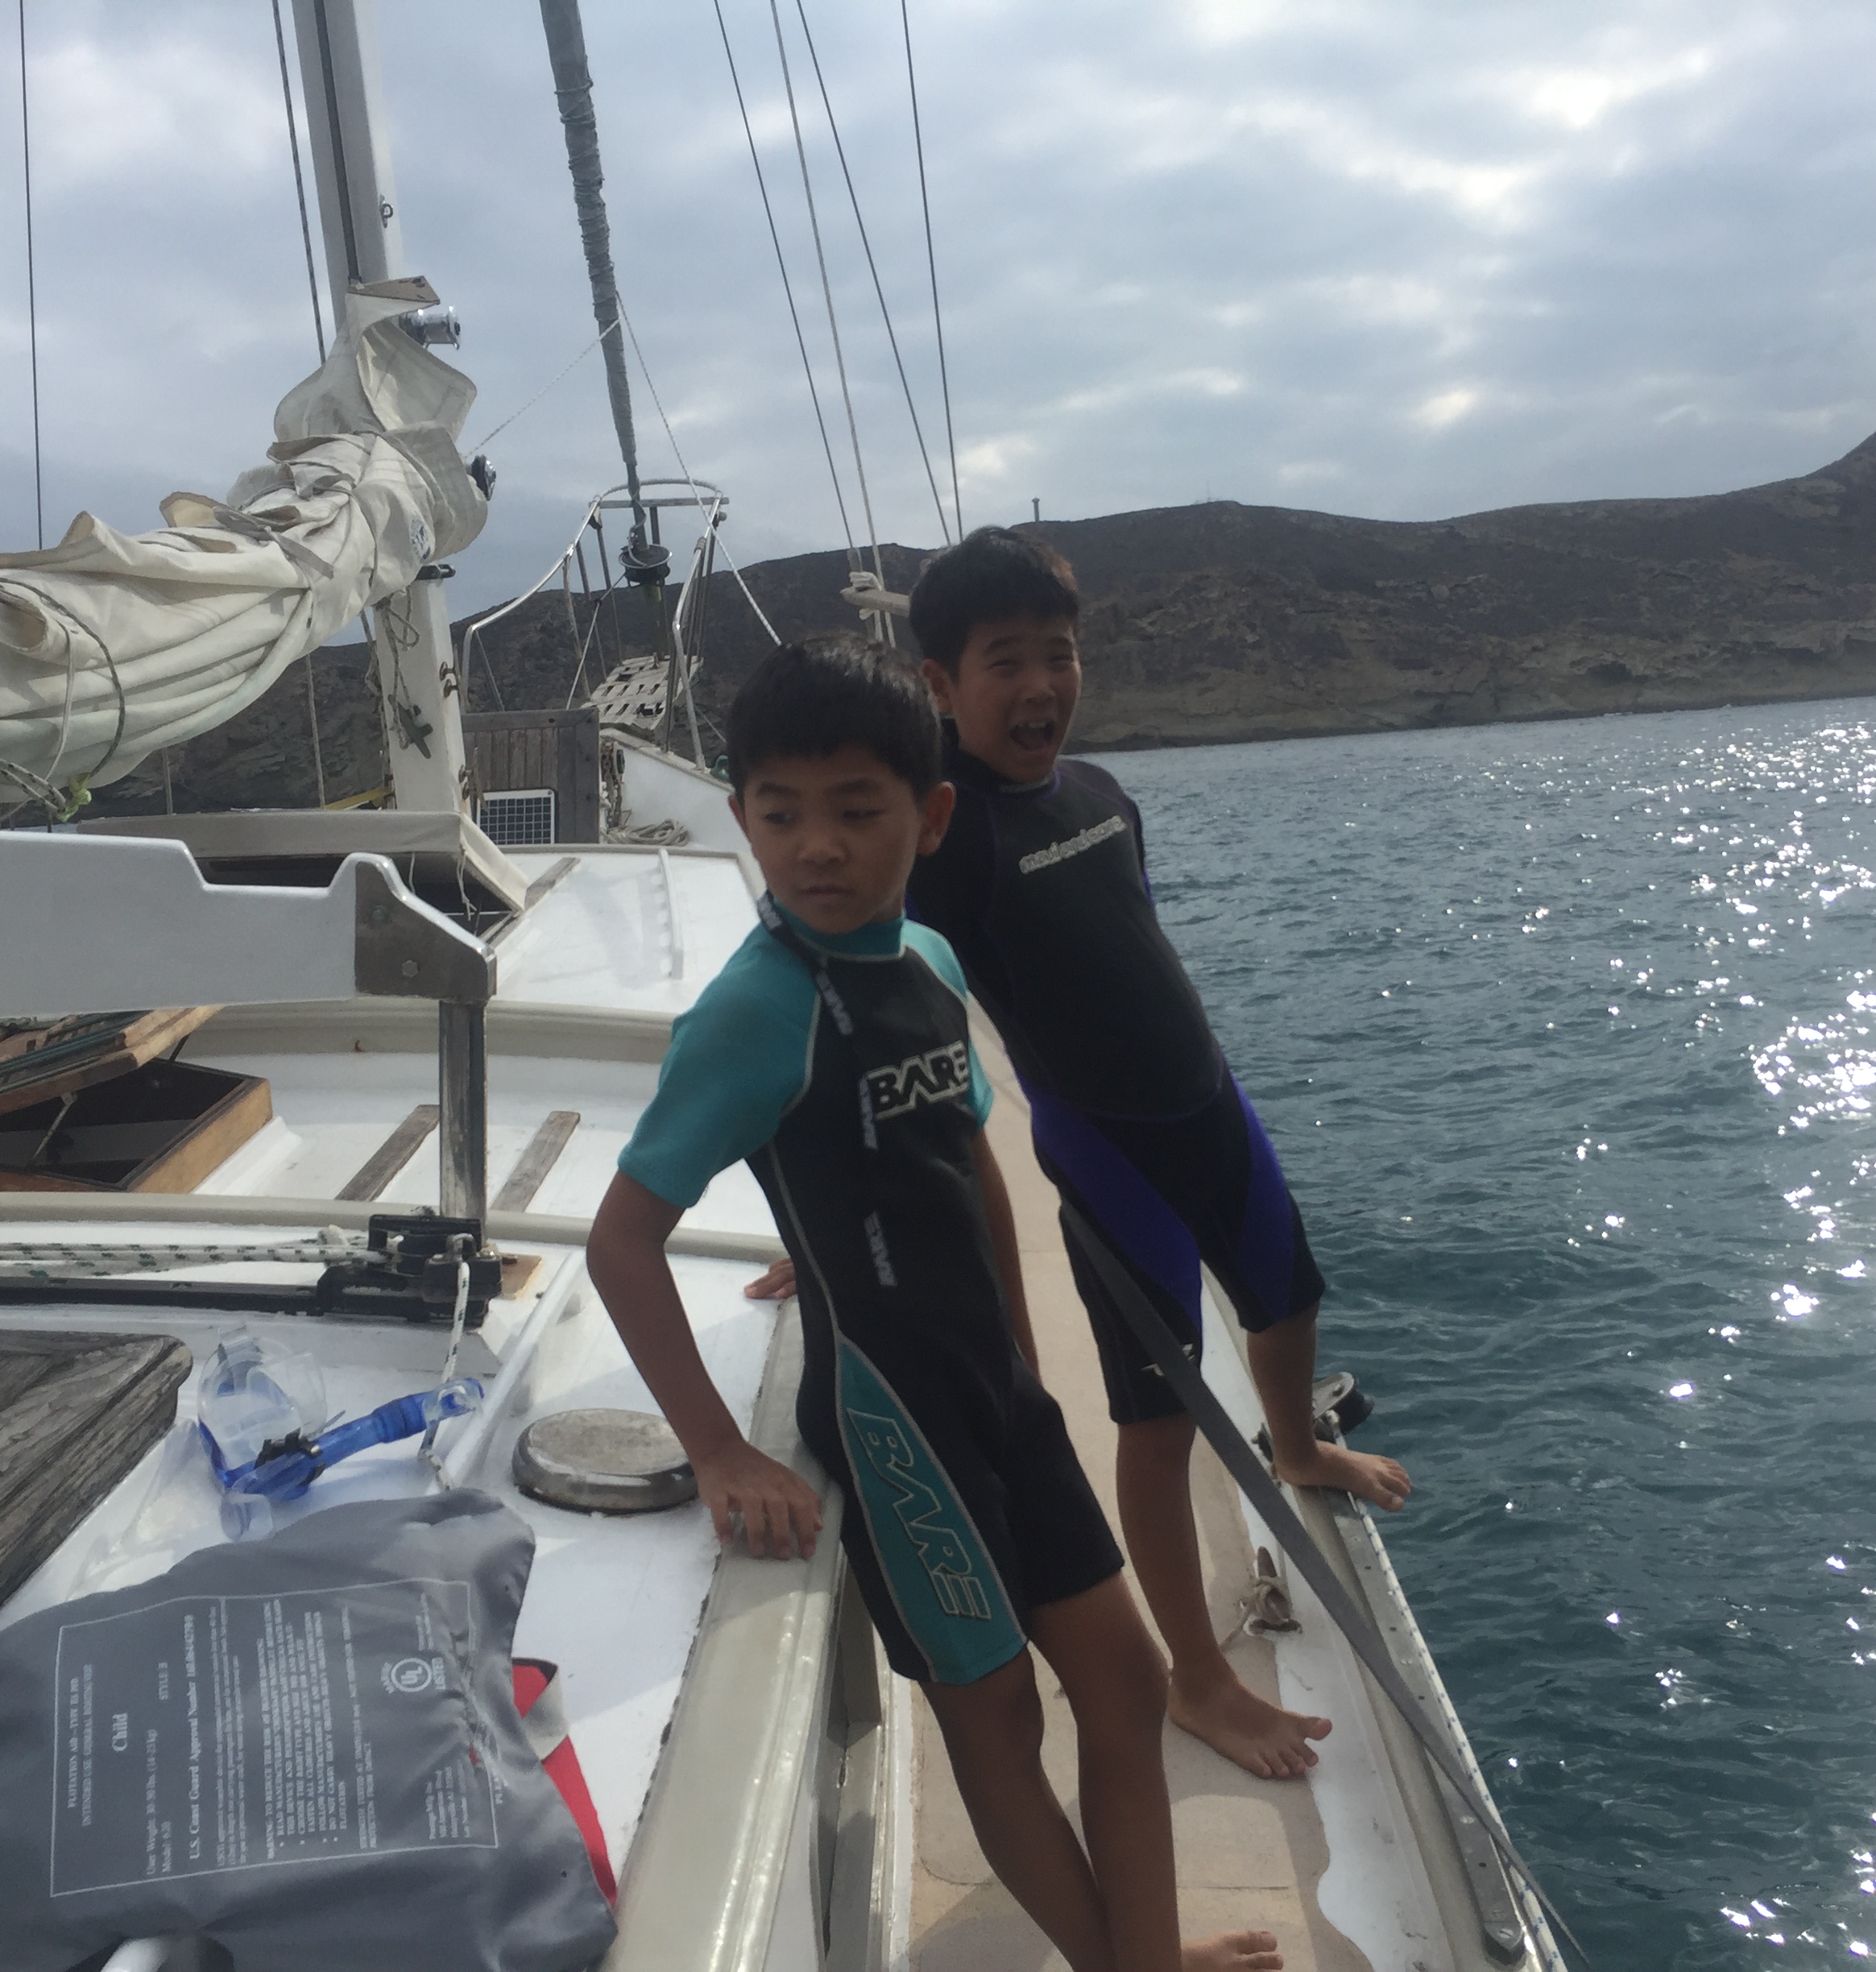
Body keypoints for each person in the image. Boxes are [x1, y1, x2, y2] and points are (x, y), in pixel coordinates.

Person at [586, 636, 1278, 1972]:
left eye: (859, 809)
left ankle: (1146, 1955)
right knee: (1000, 1719)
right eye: (781, 813)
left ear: (932, 814)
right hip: (893, 1424)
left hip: (1000, 1400)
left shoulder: (930, 964)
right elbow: (623, 1245)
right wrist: (718, 1449)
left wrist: (1022, 1354)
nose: (818, 846)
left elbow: (966, 1163)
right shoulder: (753, 1013)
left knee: (1128, 1686)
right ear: (741, 818)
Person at [897, 528, 1414, 1784]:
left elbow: (1132, 938)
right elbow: (899, 1011)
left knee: (1289, 1299)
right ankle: (1196, 1675)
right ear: (941, 684)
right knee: (1161, 1413)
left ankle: (1295, 1446)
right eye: (1005, 662)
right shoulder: (948, 840)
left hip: (1210, 1102)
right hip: (1106, 1145)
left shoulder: (1100, 793)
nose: (1041, 686)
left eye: (1060, 654)